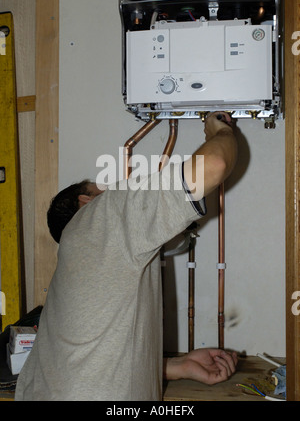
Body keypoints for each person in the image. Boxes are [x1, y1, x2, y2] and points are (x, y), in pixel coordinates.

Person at [15, 112, 238, 401]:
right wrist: (220, 132)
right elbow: (215, 165)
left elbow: (88, 358)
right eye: (102, 190)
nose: (112, 194)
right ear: (87, 202)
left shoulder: (80, 255)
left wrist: (175, 366)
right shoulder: (98, 217)